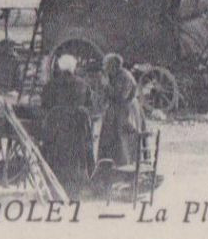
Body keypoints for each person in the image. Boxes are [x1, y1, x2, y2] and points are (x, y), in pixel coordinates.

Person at [39, 54, 94, 192]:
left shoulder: (51, 84)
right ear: (73, 68)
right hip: (78, 128)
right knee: (78, 150)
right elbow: (90, 105)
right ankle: (77, 181)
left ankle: (55, 180)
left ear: (59, 67)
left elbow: (44, 105)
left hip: (57, 127)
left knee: (54, 149)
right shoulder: (83, 84)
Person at [97, 54, 145, 169]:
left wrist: (106, 85)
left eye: (106, 65)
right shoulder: (115, 75)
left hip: (126, 112)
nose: (104, 68)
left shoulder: (124, 76)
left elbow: (121, 97)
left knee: (122, 141)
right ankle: (109, 165)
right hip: (118, 111)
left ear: (113, 66)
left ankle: (123, 166)